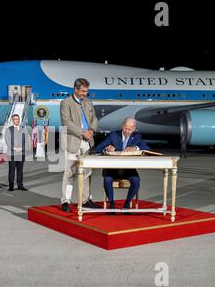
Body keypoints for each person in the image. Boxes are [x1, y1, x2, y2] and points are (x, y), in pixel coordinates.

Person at [60, 78, 100, 212]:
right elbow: (67, 122)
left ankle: (85, 200)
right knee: (70, 173)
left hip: (87, 143)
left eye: (86, 91)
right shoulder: (66, 103)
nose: (85, 94)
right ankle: (66, 201)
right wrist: (83, 132)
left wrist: (91, 130)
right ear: (75, 89)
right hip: (73, 142)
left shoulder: (88, 102)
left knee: (87, 172)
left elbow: (94, 118)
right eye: (83, 91)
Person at [95, 117, 150, 211]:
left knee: (136, 180)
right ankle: (111, 204)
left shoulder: (137, 136)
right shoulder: (114, 135)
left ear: (134, 129)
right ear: (122, 126)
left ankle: (127, 203)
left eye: (130, 129)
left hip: (128, 170)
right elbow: (98, 148)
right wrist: (107, 148)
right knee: (107, 180)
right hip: (112, 169)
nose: (127, 131)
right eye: (125, 128)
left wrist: (135, 148)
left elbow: (147, 148)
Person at [5, 114, 28, 191]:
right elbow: (7, 141)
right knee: (11, 170)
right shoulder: (8, 129)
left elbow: (27, 141)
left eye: (18, 119)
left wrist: (22, 148)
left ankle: (20, 185)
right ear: (12, 120)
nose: (17, 120)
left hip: (21, 153)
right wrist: (14, 148)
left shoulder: (24, 129)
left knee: (20, 170)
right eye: (15, 119)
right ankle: (11, 186)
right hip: (12, 153)